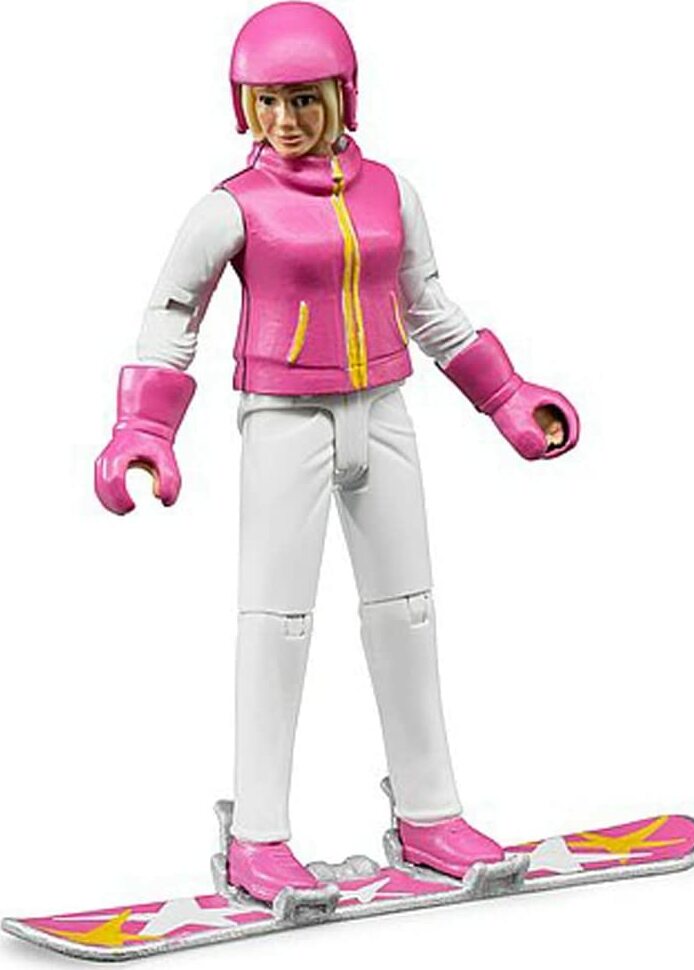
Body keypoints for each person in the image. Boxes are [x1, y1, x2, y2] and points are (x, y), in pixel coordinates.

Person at [95, 2, 579, 904]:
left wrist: (506, 395)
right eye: (267, 101)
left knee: (409, 613)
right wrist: (143, 428)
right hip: (284, 418)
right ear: (243, 105)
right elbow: (172, 313)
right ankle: (257, 837)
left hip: (383, 409)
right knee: (275, 625)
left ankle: (430, 814)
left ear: (343, 97)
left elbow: (429, 306)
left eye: (304, 99)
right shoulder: (231, 207)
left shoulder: (391, 192)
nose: (286, 119)